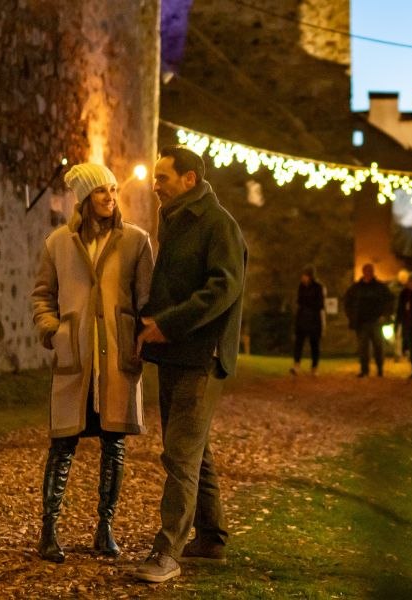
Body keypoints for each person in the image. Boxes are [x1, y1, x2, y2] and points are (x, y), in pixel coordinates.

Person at [132, 146, 248, 584]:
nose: (154, 184)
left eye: (162, 177)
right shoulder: (176, 219)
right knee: (193, 451)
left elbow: (223, 289)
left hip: (201, 355)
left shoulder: (218, 226)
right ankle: (211, 539)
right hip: (175, 352)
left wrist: (169, 323)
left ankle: (167, 552)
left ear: (190, 180)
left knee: (180, 453)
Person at [29, 163, 154, 563]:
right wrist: (53, 330)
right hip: (76, 357)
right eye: (101, 191)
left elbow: (146, 300)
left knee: (113, 445)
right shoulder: (58, 244)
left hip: (116, 360)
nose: (110, 197)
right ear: (84, 198)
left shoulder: (136, 242)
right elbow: (42, 295)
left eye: (114, 190)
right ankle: (48, 531)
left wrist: (140, 340)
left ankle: (105, 528)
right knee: (62, 444)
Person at [342, 264, 395, 378]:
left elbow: (390, 301)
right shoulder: (356, 288)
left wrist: (384, 315)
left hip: (376, 321)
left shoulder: (380, 287)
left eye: (370, 271)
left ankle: (379, 368)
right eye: (366, 271)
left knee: (378, 347)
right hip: (362, 323)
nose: (368, 273)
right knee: (363, 348)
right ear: (363, 272)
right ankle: (364, 370)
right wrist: (351, 316)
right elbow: (347, 302)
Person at [291, 268, 325, 376]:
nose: (303, 278)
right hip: (302, 319)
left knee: (314, 344)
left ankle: (314, 367)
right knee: (299, 343)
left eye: (305, 275)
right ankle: (296, 365)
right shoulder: (301, 287)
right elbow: (299, 301)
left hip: (314, 320)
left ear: (310, 276)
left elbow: (320, 304)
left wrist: (309, 304)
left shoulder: (318, 287)